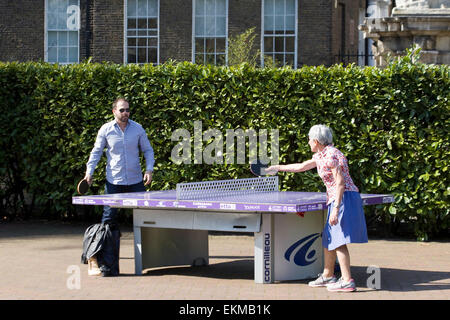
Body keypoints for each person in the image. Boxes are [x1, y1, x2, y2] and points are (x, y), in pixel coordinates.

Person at [266, 124, 368, 292]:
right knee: (329, 238)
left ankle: (347, 280)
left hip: (343, 198)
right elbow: (301, 166)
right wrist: (276, 168)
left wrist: (335, 209)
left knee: (339, 240)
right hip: (336, 198)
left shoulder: (332, 155)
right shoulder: (321, 155)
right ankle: (328, 275)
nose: (307, 143)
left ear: (316, 140)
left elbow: (341, 184)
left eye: (309, 140)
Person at [84, 97, 155, 226]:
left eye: (127, 110)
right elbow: (96, 152)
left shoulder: (138, 129)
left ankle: (148, 245)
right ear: (114, 111)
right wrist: (89, 172)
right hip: (114, 181)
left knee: (146, 217)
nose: (125, 113)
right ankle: (106, 245)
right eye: (122, 110)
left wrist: (149, 169)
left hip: (136, 181)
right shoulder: (105, 130)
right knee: (108, 218)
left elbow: (148, 150)